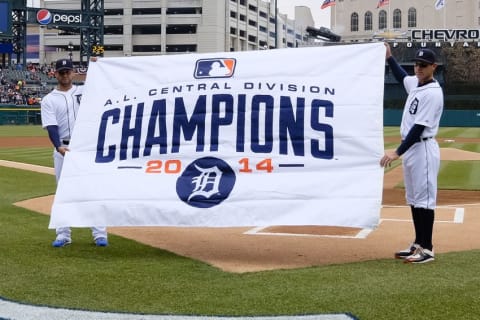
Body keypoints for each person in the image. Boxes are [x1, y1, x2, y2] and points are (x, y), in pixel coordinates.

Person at [380, 43, 444, 264]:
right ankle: (418, 243)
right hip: (413, 151)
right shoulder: (417, 84)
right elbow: (401, 77)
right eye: (417, 64)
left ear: (433, 67)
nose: (418, 68)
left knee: (425, 201)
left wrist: (397, 152)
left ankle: (427, 249)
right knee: (415, 199)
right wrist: (390, 58)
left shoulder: (433, 93)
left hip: (423, 148)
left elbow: (418, 129)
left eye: (423, 65)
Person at [40, 58, 108, 248]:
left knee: (93, 190)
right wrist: (58, 146)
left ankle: (99, 234)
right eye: (61, 72)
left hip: (86, 148)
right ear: (55, 74)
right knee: (63, 193)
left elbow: (102, 82)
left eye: (67, 71)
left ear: (73, 73)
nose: (65, 75)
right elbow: (51, 126)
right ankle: (63, 235)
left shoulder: (84, 91)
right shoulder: (49, 100)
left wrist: (98, 64)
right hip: (63, 147)